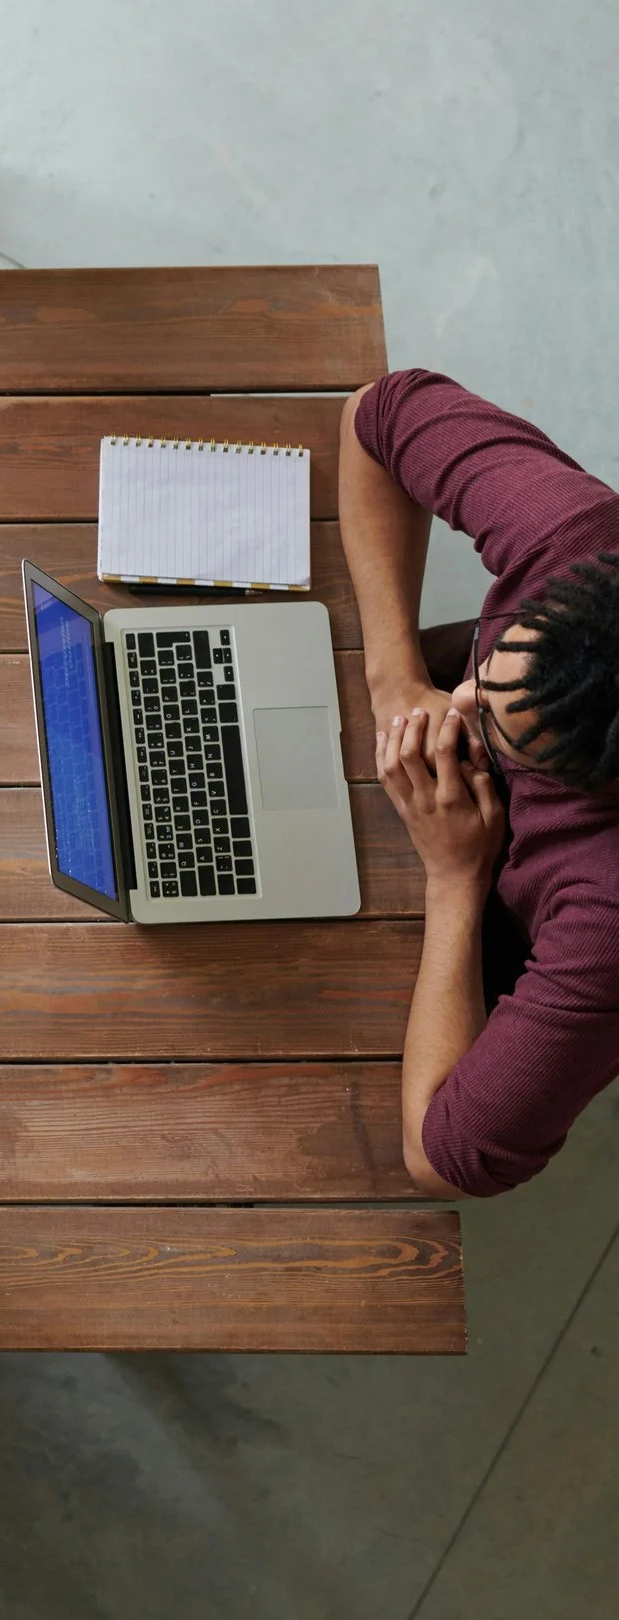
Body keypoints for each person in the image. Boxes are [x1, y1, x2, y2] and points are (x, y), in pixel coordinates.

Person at [338, 369, 619, 1198]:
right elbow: (376, 411)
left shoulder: (605, 912)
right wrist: (395, 681)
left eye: (498, 728)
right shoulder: (579, 535)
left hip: (481, 897)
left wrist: (456, 876)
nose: (461, 699)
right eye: (490, 669)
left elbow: (444, 1156)